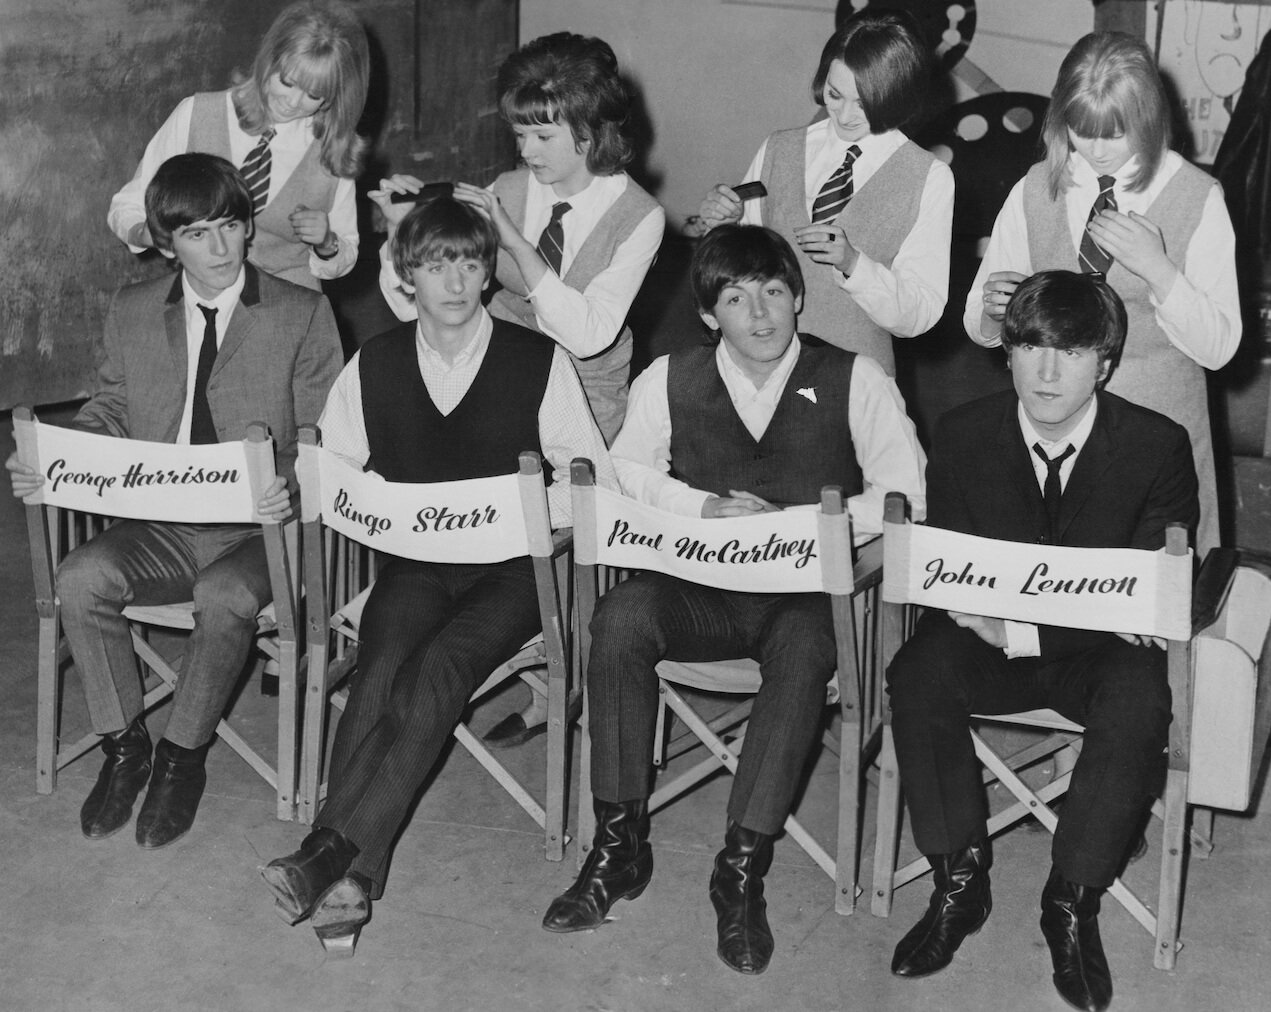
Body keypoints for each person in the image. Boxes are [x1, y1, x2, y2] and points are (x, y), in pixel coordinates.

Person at [541, 224, 927, 975]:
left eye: (776, 292)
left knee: (807, 645)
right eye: (736, 297)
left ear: (799, 298)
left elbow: (906, 496)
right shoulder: (670, 376)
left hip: (800, 594)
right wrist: (700, 508)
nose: (760, 313)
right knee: (618, 617)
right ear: (710, 313)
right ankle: (619, 848)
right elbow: (624, 473)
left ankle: (740, 869)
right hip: (701, 583)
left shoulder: (854, 377)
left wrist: (798, 522)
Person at [259, 196, 613, 956]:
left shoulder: (537, 360)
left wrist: (526, 504)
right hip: (416, 562)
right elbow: (332, 470)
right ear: (406, 274)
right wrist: (312, 487)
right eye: (434, 263)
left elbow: (594, 481)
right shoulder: (375, 363)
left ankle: (329, 848)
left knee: (441, 666)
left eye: (470, 262)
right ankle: (348, 873)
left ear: (489, 275)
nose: (454, 279)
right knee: (384, 666)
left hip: (515, 570)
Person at [6, 152, 342, 849]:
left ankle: (180, 760)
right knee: (80, 576)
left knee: (224, 596)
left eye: (230, 226)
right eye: (196, 234)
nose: (219, 248)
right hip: (161, 520)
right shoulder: (133, 310)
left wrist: (289, 480)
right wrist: (53, 461)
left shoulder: (303, 312)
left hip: (259, 534)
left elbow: (323, 437)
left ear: (250, 227)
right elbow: (112, 408)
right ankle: (125, 749)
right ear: (166, 244)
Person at [887, 271, 1198, 1012]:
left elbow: (1150, 598)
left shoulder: (1157, 445)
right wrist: (992, 612)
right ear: (1007, 354)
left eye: (1072, 351)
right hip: (989, 639)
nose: (1048, 371)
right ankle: (959, 883)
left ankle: (1071, 899)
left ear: (1107, 363)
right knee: (917, 671)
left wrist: (1021, 622)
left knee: (1137, 695)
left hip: (1094, 657)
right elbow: (953, 576)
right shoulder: (963, 432)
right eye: (1029, 347)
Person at [374, 31, 665, 748]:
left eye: (542, 133)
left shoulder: (639, 217)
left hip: (584, 396)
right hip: (496, 386)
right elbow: (424, 306)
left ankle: (562, 676)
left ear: (591, 130)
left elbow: (590, 330)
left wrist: (514, 243)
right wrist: (398, 239)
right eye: (518, 132)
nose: (526, 150)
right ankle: (505, 665)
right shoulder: (507, 189)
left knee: (557, 536)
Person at [965, 30, 1239, 553]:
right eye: (1081, 131)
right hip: (1053, 428)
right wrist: (991, 311)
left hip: (1157, 433)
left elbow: (1221, 348)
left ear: (1149, 118)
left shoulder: (1197, 197)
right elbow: (980, 322)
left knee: (1156, 601)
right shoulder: (1034, 188)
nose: (1096, 150)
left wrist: (1160, 272)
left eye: (1115, 134)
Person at [695, 7, 952, 375]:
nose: (845, 115)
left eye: (864, 103)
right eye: (835, 94)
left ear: (898, 95)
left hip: (855, 377)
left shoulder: (929, 177)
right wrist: (722, 226)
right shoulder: (779, 148)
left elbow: (920, 315)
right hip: (760, 367)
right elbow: (732, 269)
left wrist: (853, 265)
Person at [108, 0, 369, 289]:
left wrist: (327, 242)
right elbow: (128, 204)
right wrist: (144, 233)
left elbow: (346, 251)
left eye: (314, 95)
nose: (293, 102)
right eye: (287, 81)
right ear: (268, 61)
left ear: (332, 97)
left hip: (291, 302)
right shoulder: (197, 114)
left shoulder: (334, 149)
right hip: (205, 294)